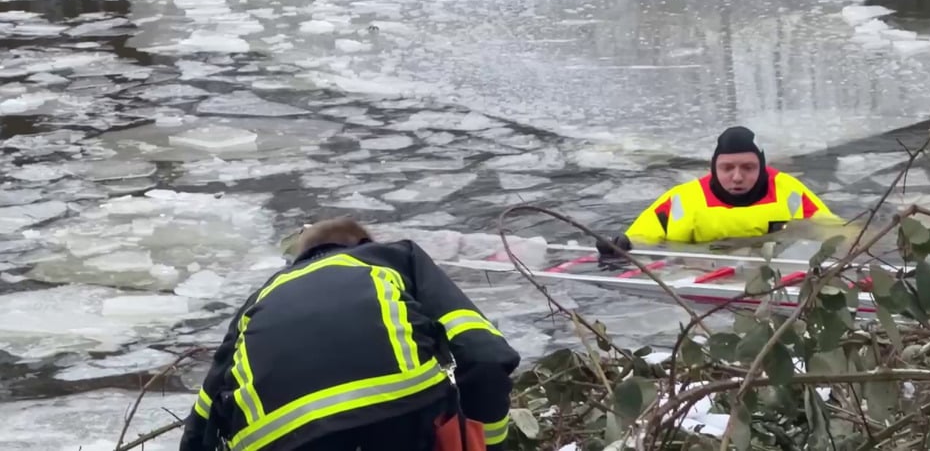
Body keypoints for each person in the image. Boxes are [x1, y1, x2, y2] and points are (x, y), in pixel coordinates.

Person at [179, 217, 520, 451]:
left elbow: (202, 421)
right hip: (398, 411)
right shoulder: (392, 258)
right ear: (363, 243)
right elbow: (485, 356)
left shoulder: (261, 298)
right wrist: (490, 442)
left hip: (276, 437)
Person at [599, 125, 840, 252]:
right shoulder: (685, 199)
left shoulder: (787, 191)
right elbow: (643, 234)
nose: (737, 177)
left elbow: (830, 227)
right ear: (713, 168)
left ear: (762, 167)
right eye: (727, 168)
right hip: (702, 277)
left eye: (748, 167)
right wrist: (622, 244)